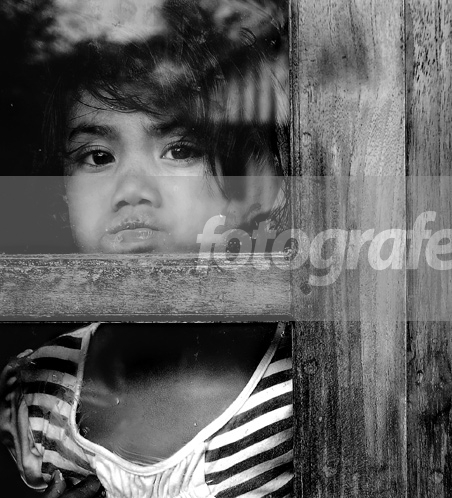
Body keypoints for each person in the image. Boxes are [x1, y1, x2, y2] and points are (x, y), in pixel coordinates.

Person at [0, 3, 291, 497]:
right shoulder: (42, 396)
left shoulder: (297, 392)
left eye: (180, 150)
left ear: (255, 190)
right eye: (98, 157)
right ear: (61, 192)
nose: (132, 189)